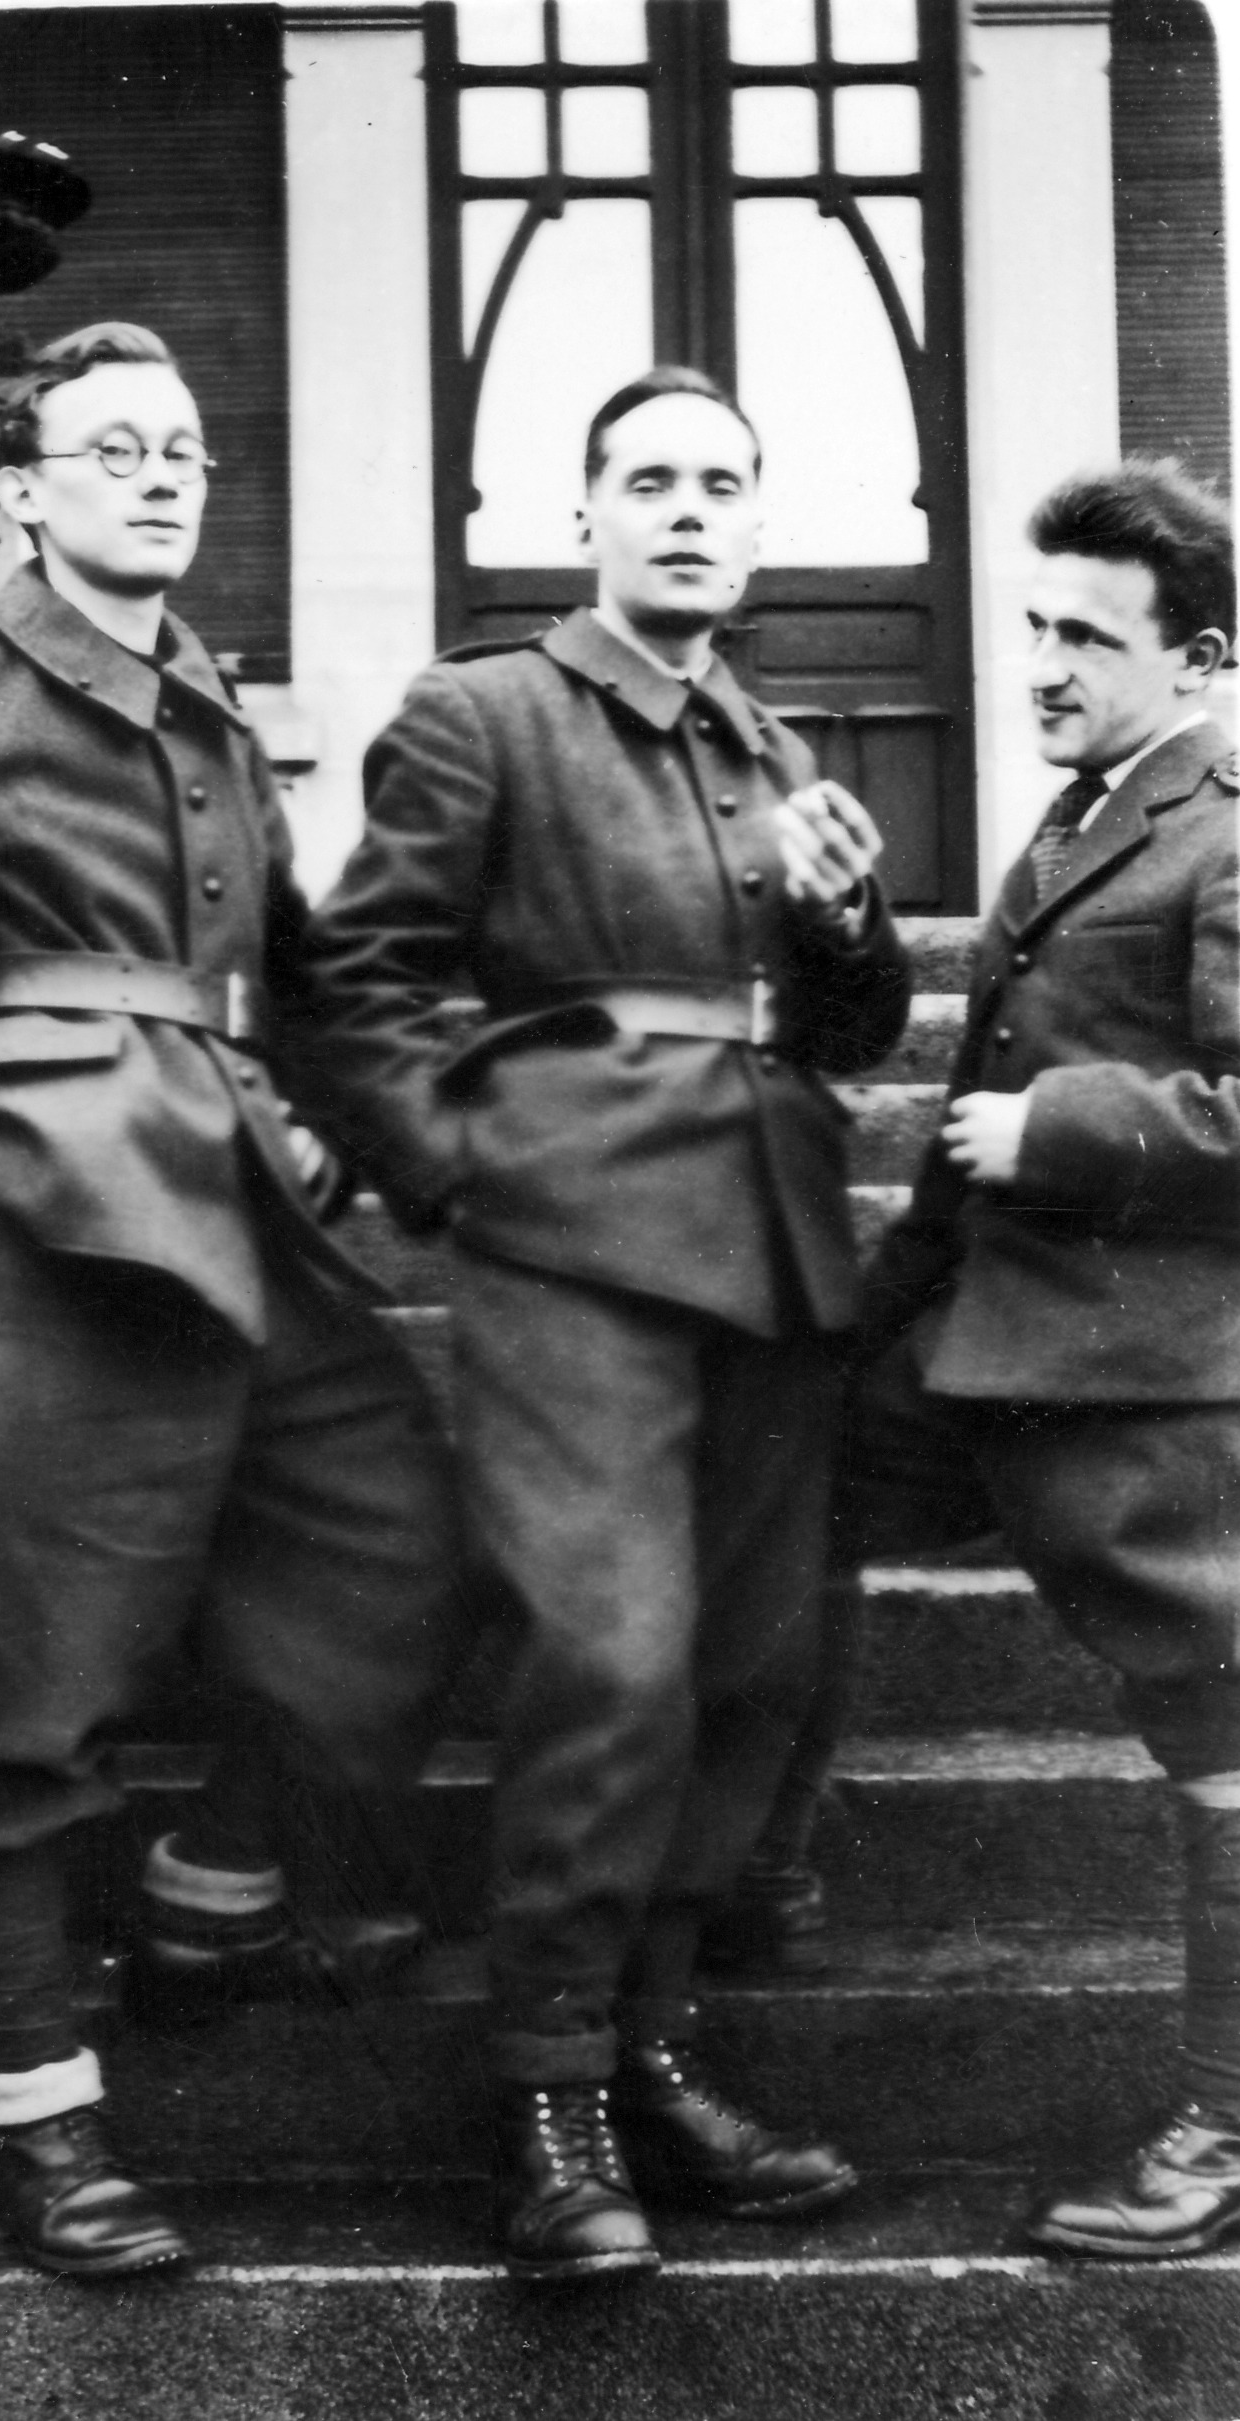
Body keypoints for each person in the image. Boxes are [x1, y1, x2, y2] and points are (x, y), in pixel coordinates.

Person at [0, 322, 464, 2278]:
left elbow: (293, 974)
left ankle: (214, 1888)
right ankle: (42, 2118)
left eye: (183, 450)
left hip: (239, 1219)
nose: (162, 474)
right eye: (114, 449)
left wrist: (409, 1144)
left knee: (390, 1543)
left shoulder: (209, 712)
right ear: (22, 494)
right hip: (38, 1229)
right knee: (11, 1694)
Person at [288, 365, 912, 2279]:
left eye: (723, 483)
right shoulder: (484, 711)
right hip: (573, 1238)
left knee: (747, 1671)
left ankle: (653, 2053)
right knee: (613, 1658)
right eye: (649, 482)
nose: (689, 512)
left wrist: (849, 925)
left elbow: (846, 1032)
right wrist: (465, 1173)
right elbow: (355, 978)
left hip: (772, 1240)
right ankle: (548, 2100)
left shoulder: (774, 746)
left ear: (758, 521)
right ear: (585, 518)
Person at [847, 458, 1240, 2258]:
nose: (1040, 664)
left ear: (1200, 657)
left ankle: (1224, 2129)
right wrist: (864, 1311)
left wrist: (1067, 1127)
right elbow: (956, 1122)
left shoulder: (1222, 829)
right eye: (1033, 626)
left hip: (1143, 1381)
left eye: (1087, 635)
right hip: (986, 1341)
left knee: (1221, 1746)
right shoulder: (1081, 822)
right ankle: (749, 1889)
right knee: (763, 1502)